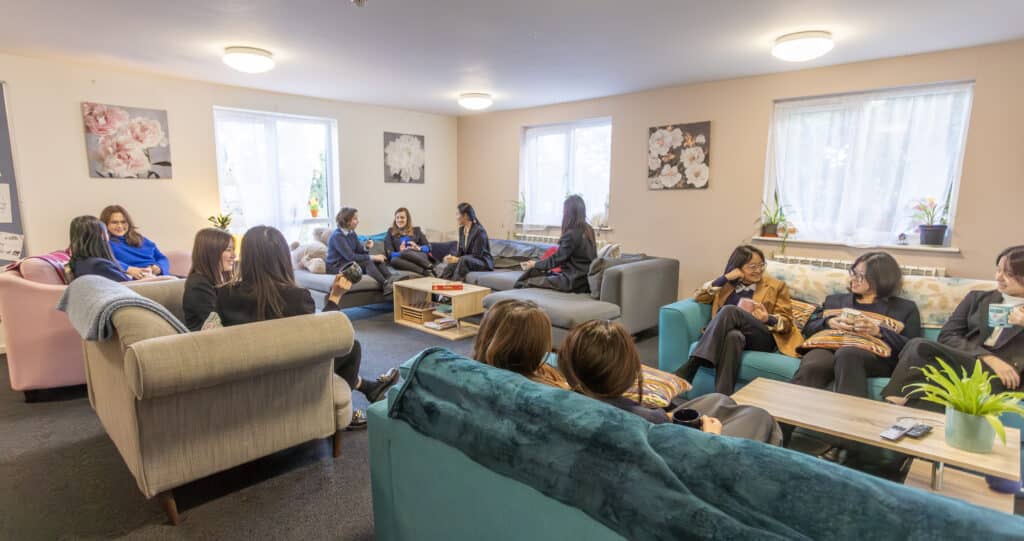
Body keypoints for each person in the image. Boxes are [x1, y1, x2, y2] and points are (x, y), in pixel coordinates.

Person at [217, 225, 398, 427]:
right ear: (283, 258)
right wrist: (335, 297)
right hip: (292, 377)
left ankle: (369, 387)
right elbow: (324, 335)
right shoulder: (297, 297)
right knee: (350, 348)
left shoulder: (224, 295)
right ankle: (334, 413)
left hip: (249, 378)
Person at [558, 319, 782, 444]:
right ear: (627, 370)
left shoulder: (569, 396)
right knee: (760, 417)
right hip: (690, 445)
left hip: (654, 417)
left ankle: (696, 364)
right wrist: (712, 438)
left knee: (718, 399)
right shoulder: (643, 424)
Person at [883, 246, 1024, 410]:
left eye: (1008, 274)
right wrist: (988, 357)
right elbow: (947, 335)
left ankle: (890, 408)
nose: (998, 277)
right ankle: (895, 411)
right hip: (968, 361)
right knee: (918, 347)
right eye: (998, 270)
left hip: (1004, 377)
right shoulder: (977, 299)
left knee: (926, 365)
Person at [676, 245, 802, 395]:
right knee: (733, 337)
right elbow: (699, 297)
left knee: (729, 310)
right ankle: (722, 398)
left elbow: (787, 322)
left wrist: (767, 318)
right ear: (738, 267)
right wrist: (725, 278)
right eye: (752, 266)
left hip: (762, 337)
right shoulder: (727, 284)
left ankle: (693, 364)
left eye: (761, 265)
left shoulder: (776, 286)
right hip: (736, 335)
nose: (758, 270)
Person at [792, 252, 921, 397]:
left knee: (847, 354)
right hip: (829, 346)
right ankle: (790, 410)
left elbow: (913, 348)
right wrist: (828, 322)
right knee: (815, 364)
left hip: (873, 357)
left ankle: (850, 411)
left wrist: (878, 331)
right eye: (853, 272)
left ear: (881, 279)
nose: (852, 279)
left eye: (860, 276)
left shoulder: (904, 308)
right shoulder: (835, 300)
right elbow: (808, 328)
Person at [514, 195, 596, 293]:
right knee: (535, 272)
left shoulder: (571, 235)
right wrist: (537, 265)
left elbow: (556, 260)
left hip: (572, 282)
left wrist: (534, 264)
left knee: (525, 281)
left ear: (568, 213)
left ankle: (514, 296)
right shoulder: (589, 230)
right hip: (585, 282)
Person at [326, 207, 394, 294]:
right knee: (368, 262)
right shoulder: (337, 236)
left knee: (377, 261)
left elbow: (359, 251)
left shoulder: (352, 233)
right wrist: (373, 257)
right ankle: (385, 285)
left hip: (348, 263)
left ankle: (391, 279)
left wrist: (366, 247)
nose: (358, 221)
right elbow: (351, 257)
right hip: (336, 266)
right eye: (355, 219)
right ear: (347, 221)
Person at [182, 227, 236, 332]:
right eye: (228, 250)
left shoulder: (222, 278)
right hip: (205, 340)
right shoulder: (198, 284)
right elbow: (219, 322)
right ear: (211, 253)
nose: (234, 255)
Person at [100, 205, 170, 279]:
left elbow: (162, 258)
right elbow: (105, 261)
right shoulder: (105, 243)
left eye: (123, 222)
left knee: (178, 280)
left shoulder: (140, 238)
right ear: (105, 224)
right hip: (137, 279)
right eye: (114, 222)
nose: (120, 226)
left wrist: (158, 267)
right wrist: (128, 269)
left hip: (158, 275)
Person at [66, 215, 131, 282]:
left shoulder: (79, 262)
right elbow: (128, 284)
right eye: (106, 232)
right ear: (101, 235)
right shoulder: (99, 265)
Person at [439, 202, 493, 282]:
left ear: (466, 215)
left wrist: (458, 259)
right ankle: (441, 283)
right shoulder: (461, 230)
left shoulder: (479, 231)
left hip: (483, 262)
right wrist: (453, 258)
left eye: (458, 214)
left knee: (463, 260)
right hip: (468, 260)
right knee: (453, 263)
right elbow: (460, 253)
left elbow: (477, 254)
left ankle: (455, 286)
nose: (456, 217)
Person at [384, 207, 434, 276]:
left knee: (406, 252)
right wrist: (401, 252)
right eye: (397, 218)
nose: (399, 220)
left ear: (407, 219)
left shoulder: (417, 230)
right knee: (394, 260)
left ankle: (429, 265)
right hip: (402, 259)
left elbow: (429, 247)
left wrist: (418, 248)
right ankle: (425, 271)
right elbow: (390, 254)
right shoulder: (390, 232)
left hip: (419, 256)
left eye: (402, 217)